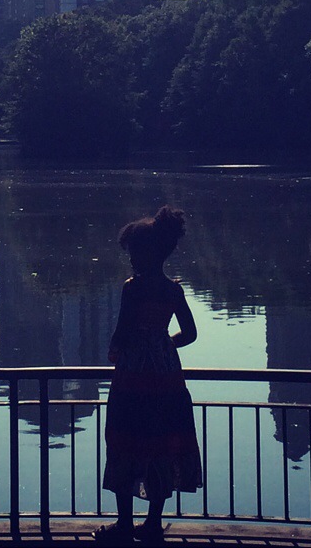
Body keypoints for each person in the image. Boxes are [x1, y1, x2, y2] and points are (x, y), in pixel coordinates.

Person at [95, 206, 203, 544]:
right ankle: (153, 524)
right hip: (167, 375)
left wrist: (117, 351)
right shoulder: (174, 291)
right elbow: (190, 334)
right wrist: (165, 343)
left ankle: (125, 524)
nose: (131, 260)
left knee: (124, 439)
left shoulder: (133, 288)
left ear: (148, 253)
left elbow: (122, 331)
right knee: (162, 442)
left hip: (133, 376)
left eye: (134, 252)